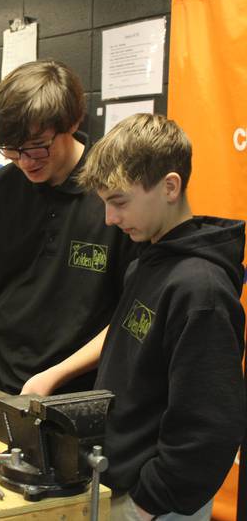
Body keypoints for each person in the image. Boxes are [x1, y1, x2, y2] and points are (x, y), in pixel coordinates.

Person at [76, 113, 246, 520]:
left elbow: (210, 428)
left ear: (170, 187)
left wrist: (144, 505)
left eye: (119, 202)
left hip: (157, 506)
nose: (110, 220)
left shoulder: (200, 289)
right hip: (119, 483)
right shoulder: (146, 264)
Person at [0, 59, 135, 401]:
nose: (26, 161)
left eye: (38, 146)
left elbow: (130, 316)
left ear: (72, 122)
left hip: (74, 394)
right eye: (13, 151)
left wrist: (55, 376)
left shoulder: (113, 195)